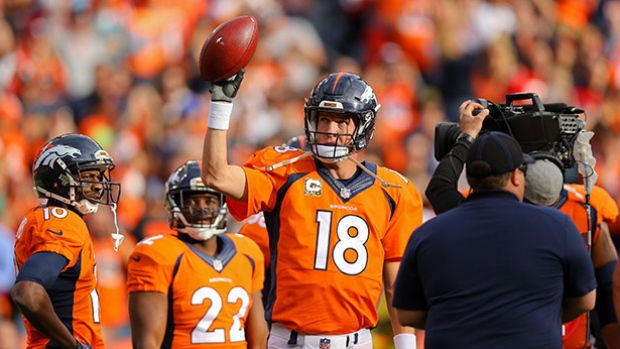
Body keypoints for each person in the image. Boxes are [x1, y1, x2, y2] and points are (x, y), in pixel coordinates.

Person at [202, 71, 423, 349]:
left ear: (363, 126)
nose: (331, 129)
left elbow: (396, 285)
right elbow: (216, 176)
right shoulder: (285, 170)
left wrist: (406, 346)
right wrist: (220, 106)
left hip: (357, 342)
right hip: (291, 340)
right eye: (324, 118)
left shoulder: (393, 190)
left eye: (342, 122)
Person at [426, 100, 620, 349]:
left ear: (517, 175)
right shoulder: (587, 207)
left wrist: (467, 137)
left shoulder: (476, 215)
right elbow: (606, 287)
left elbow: (440, 188)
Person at [394, 130, 597, 348]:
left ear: (470, 178)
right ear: (515, 176)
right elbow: (586, 300)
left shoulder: (428, 233)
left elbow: (406, 314)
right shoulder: (559, 226)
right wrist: (538, 317)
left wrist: (453, 320)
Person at [126, 160, 268, 349]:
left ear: (222, 203)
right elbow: (147, 343)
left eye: (210, 200)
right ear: (174, 205)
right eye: (192, 201)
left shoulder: (247, 251)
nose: (201, 208)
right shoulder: (157, 254)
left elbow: (258, 342)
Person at [12, 133, 122, 349]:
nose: (99, 185)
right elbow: (27, 292)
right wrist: (74, 345)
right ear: (58, 181)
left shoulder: (43, 217)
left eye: (99, 177)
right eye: (88, 176)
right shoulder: (64, 221)